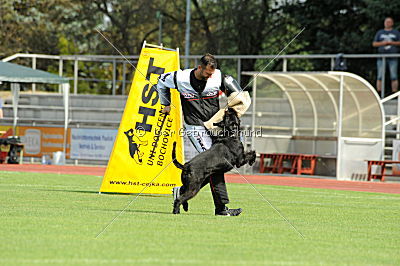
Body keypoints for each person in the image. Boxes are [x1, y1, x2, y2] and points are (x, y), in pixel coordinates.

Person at [157, 54, 251, 216]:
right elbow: (160, 82)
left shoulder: (219, 77)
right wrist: (165, 104)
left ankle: (182, 192)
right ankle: (221, 209)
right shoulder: (180, 77)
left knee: (225, 162)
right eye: (207, 73)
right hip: (195, 126)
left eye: (212, 74)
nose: (210, 77)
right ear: (199, 67)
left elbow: (239, 94)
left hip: (215, 124)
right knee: (215, 164)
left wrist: (237, 103)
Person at [372, 17, 400, 94]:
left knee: (394, 76)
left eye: (389, 22)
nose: (388, 23)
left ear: (392, 23)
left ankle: (394, 94)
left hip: (393, 57)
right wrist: (383, 43)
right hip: (381, 57)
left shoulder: (396, 33)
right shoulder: (380, 33)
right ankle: (379, 93)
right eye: (386, 22)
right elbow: (374, 43)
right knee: (380, 76)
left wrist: (391, 43)